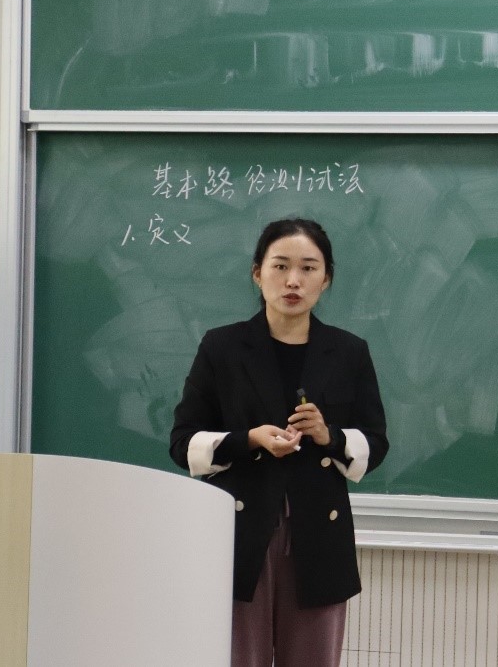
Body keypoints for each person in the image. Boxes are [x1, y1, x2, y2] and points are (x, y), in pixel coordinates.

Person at [170, 217, 390, 667]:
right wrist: (248, 440)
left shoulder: (349, 352)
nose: (293, 281)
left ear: (326, 279)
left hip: (319, 537)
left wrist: (330, 436)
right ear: (258, 273)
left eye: (309, 268)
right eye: (281, 266)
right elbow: (182, 442)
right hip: (239, 535)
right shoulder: (222, 347)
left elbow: (376, 442)